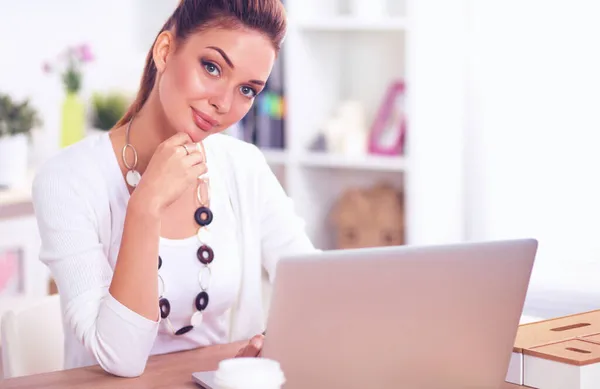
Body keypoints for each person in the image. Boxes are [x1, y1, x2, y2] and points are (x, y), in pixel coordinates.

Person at [32, 0, 316, 378]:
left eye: (247, 90)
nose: (223, 103)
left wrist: (272, 342)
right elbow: (120, 357)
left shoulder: (244, 167)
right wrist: (146, 205)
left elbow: (315, 289)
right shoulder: (67, 179)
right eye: (212, 67)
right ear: (165, 51)